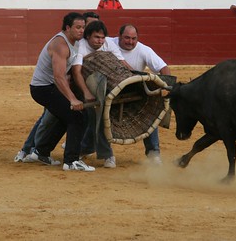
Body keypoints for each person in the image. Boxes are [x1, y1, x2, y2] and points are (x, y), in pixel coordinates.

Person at [15, 12, 101, 164]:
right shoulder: (61, 44)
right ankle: (71, 161)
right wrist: (73, 99)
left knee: (65, 117)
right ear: (68, 28)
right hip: (43, 88)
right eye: (78, 27)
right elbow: (59, 77)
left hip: (51, 87)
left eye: (83, 27)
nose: (82, 30)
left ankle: (41, 152)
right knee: (76, 117)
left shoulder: (75, 41)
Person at [72, 20, 131, 168]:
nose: (100, 41)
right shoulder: (81, 45)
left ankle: (84, 149)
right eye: (96, 37)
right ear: (87, 37)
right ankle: (107, 154)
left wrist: (137, 77)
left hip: (105, 86)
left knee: (97, 119)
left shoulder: (109, 44)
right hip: (79, 86)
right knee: (96, 116)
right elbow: (76, 72)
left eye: (102, 37)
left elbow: (122, 63)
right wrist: (85, 92)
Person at [110, 24, 171, 164]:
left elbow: (164, 68)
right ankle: (105, 153)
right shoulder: (109, 43)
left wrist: (167, 85)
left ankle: (153, 153)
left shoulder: (144, 50)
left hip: (135, 90)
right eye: (126, 38)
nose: (130, 42)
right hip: (110, 90)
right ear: (119, 36)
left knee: (151, 113)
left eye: (133, 38)